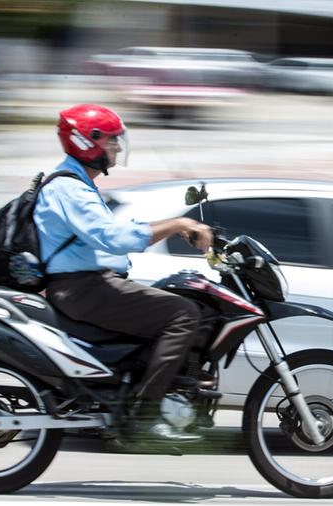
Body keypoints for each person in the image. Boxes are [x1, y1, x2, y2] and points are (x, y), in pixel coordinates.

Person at [34, 103, 213, 443]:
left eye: (118, 140)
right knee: (183, 314)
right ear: (88, 141)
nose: (117, 147)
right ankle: (144, 415)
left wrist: (172, 228)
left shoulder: (77, 183)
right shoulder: (68, 187)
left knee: (176, 298)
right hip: (82, 288)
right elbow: (110, 238)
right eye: (112, 140)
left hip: (88, 284)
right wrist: (177, 222)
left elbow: (107, 232)